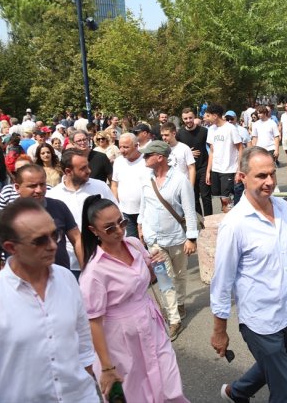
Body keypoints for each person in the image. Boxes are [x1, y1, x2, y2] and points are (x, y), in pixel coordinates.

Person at [0, 199, 100, 402]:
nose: (52, 245)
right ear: (11, 247)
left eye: (54, 235)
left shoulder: (67, 279)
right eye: (39, 240)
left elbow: (83, 345)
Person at [211, 147, 287, 403]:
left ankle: (237, 392)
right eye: (261, 176)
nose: (269, 182)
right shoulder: (234, 224)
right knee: (283, 390)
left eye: (272, 174)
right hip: (260, 321)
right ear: (242, 177)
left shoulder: (282, 207)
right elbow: (222, 283)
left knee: (277, 366)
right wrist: (219, 330)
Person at [79, 195, 189, 401]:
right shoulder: (94, 272)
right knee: (136, 392)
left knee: (170, 384)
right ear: (94, 231)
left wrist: (155, 266)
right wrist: (106, 366)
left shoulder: (134, 244)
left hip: (151, 322)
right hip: (121, 338)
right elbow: (93, 322)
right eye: (110, 228)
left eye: (122, 222)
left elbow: (150, 280)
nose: (119, 231)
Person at [138, 140, 199, 340]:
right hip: (154, 239)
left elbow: (189, 211)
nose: (144, 158)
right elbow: (144, 205)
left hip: (177, 238)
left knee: (180, 275)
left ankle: (180, 303)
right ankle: (174, 319)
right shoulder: (146, 179)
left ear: (160, 157)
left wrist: (191, 238)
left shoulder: (180, 180)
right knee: (164, 279)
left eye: (148, 155)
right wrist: (140, 225)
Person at [0, 164, 81, 280]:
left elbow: (77, 239)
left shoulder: (59, 207)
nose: (39, 190)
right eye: (32, 186)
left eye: (42, 184)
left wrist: (86, 271)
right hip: (21, 286)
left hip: (60, 282)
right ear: (17, 187)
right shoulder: (4, 218)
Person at [48, 148, 116, 280]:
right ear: (68, 171)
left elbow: (117, 217)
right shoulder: (53, 196)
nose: (89, 171)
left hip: (105, 260)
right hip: (72, 267)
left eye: (88, 166)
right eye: (83, 168)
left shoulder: (100, 187)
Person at [205, 104, 243, 213]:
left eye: (208, 116)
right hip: (216, 169)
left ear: (215, 116)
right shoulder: (211, 129)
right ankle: (226, 221)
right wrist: (208, 171)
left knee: (227, 199)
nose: (206, 118)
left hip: (229, 169)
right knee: (222, 199)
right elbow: (212, 151)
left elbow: (240, 148)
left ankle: (232, 223)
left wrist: (239, 170)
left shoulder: (231, 128)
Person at [177, 107, 212, 216]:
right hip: (188, 170)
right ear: (182, 119)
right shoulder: (180, 134)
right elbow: (176, 150)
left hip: (203, 167)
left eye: (190, 118)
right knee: (193, 197)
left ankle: (209, 220)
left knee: (206, 197)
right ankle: (199, 221)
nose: (188, 120)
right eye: (185, 118)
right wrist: (188, 153)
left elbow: (213, 148)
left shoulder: (204, 131)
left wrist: (209, 170)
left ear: (194, 117)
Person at [110, 133, 146, 238]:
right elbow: (114, 185)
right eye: (120, 146)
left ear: (136, 146)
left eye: (126, 147)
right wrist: (116, 205)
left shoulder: (146, 161)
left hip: (145, 212)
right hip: (125, 213)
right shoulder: (118, 162)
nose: (122, 150)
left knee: (148, 244)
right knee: (132, 244)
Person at [161, 122, 197, 187]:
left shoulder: (184, 148)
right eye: (162, 135)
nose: (164, 137)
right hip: (167, 186)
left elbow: (191, 168)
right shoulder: (161, 149)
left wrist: (191, 187)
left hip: (182, 186)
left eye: (166, 135)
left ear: (174, 134)